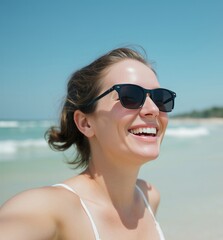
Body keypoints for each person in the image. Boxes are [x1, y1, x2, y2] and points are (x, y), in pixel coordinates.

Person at [0, 47, 176, 240]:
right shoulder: (51, 209)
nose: (153, 110)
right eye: (130, 96)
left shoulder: (149, 198)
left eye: (160, 98)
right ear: (86, 123)